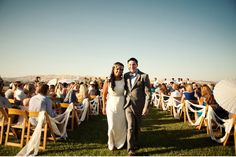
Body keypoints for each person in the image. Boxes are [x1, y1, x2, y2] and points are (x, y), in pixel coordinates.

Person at [124, 57, 151, 156]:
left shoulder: (144, 76)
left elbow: (148, 93)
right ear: (128, 66)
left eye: (134, 64)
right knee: (130, 126)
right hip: (128, 105)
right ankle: (130, 149)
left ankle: (135, 143)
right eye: (130, 64)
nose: (132, 66)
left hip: (139, 106)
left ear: (137, 65)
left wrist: (146, 107)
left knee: (137, 127)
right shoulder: (126, 75)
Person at [102, 62, 126, 151]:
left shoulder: (124, 80)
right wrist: (104, 107)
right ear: (113, 69)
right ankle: (112, 143)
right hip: (111, 104)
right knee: (111, 125)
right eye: (117, 68)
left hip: (122, 104)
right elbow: (104, 95)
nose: (119, 70)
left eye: (121, 69)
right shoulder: (108, 81)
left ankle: (121, 143)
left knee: (121, 125)